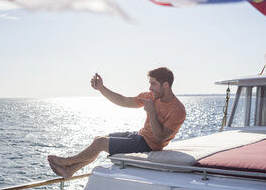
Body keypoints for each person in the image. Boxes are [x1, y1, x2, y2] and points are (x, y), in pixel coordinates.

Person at [48, 67, 186, 179]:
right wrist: (101, 88)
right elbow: (123, 100)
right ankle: (70, 171)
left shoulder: (178, 110)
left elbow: (159, 138)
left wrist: (151, 112)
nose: (150, 88)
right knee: (98, 140)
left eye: (153, 84)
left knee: (99, 143)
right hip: (139, 136)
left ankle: (67, 162)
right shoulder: (151, 96)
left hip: (149, 145)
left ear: (166, 85)